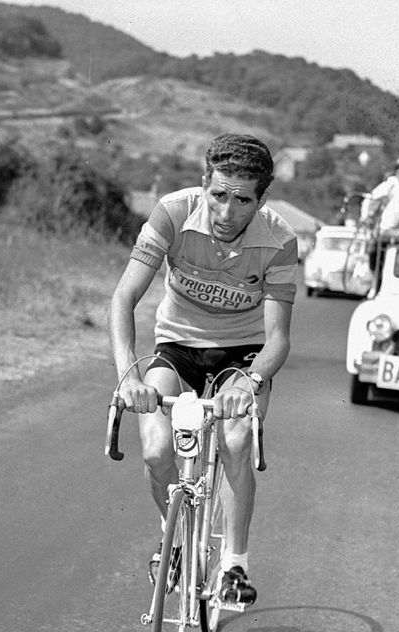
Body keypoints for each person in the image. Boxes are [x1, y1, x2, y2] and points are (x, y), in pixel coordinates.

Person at [108, 133, 298, 606]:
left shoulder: (279, 240)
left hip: (244, 353)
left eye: (242, 200)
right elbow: (124, 298)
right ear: (203, 183)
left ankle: (234, 564)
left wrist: (251, 383)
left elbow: (277, 339)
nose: (228, 212)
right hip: (177, 345)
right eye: (219, 195)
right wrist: (127, 378)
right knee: (155, 449)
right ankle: (174, 538)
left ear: (261, 199)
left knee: (234, 440)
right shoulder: (172, 213)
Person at [363, 157, 399, 225]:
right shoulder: (390, 184)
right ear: (396, 174)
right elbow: (370, 198)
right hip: (386, 223)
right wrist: (366, 217)